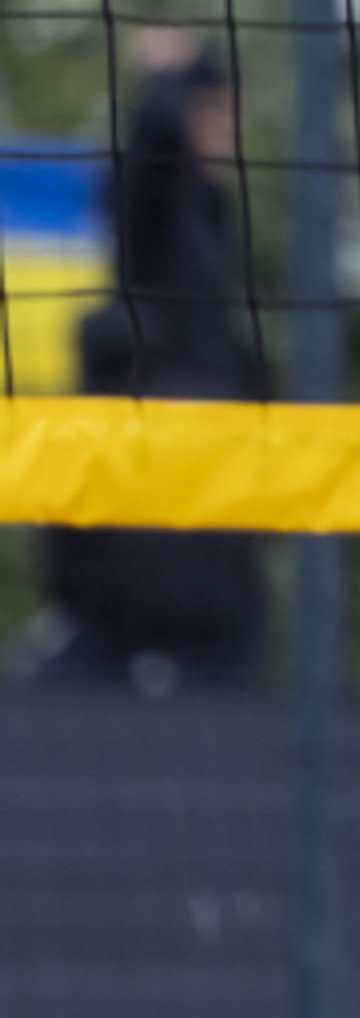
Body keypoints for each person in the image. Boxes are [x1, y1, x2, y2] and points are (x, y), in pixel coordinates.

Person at [29, 35, 270, 689]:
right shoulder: (154, 208)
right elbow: (149, 152)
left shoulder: (206, 213)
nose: (232, 131)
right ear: (195, 115)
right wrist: (166, 78)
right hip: (150, 531)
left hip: (207, 526)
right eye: (220, 114)